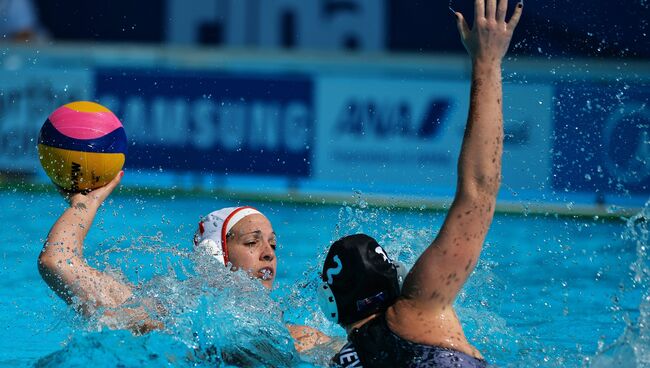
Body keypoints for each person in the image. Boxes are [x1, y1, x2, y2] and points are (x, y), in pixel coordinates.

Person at [317, 0, 523, 366]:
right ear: (394, 277)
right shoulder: (419, 308)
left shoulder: (337, 360)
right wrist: (487, 63)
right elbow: (478, 189)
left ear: (330, 306)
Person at [38, 172, 328, 353]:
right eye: (252, 242)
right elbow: (58, 260)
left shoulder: (298, 338)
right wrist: (84, 205)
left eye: (273, 244)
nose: (268, 253)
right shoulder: (160, 314)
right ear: (216, 256)